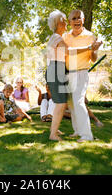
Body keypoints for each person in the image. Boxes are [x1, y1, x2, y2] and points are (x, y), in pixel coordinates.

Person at [64, 9, 103, 142]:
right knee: (72, 104)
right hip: (68, 73)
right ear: (69, 22)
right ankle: (77, 131)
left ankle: (87, 135)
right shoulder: (65, 37)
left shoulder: (90, 36)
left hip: (81, 72)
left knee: (79, 102)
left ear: (83, 20)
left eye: (79, 18)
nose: (76, 21)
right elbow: (67, 53)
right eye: (73, 18)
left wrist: (94, 50)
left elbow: (93, 58)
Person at [45, 10, 70, 141]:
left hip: (53, 69)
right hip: (56, 70)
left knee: (59, 103)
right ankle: (53, 134)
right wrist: (89, 49)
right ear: (58, 23)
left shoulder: (53, 38)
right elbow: (69, 53)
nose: (66, 23)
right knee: (61, 103)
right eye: (64, 21)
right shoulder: (58, 38)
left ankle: (54, 129)